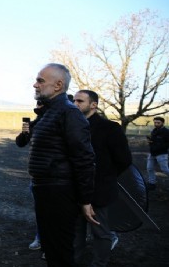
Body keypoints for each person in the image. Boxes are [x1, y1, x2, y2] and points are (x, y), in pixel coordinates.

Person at [28, 63, 96, 267]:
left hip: (59, 192)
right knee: (51, 249)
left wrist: (85, 200)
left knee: (60, 251)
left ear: (58, 85)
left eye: (40, 80)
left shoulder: (69, 113)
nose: (35, 84)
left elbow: (84, 158)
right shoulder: (49, 112)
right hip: (45, 190)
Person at [73, 90, 132, 266]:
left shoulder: (110, 128)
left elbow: (124, 160)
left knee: (101, 233)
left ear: (93, 105)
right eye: (74, 100)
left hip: (100, 191)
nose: (75, 104)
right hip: (74, 190)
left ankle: (99, 264)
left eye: (80, 101)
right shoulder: (71, 127)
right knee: (75, 233)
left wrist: (105, 178)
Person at [15, 101, 44, 253]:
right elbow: (20, 143)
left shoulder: (62, 120)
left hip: (57, 178)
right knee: (41, 211)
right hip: (37, 177)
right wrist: (25, 132)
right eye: (37, 106)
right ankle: (40, 238)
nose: (39, 108)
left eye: (41, 106)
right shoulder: (36, 123)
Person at [145, 116, 169, 191]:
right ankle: (152, 183)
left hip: (162, 154)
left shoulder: (166, 132)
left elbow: (168, 143)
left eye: (158, 123)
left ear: (162, 123)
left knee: (165, 170)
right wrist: (150, 142)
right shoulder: (154, 131)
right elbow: (153, 141)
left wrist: (158, 146)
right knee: (149, 168)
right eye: (155, 122)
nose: (156, 124)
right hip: (152, 153)